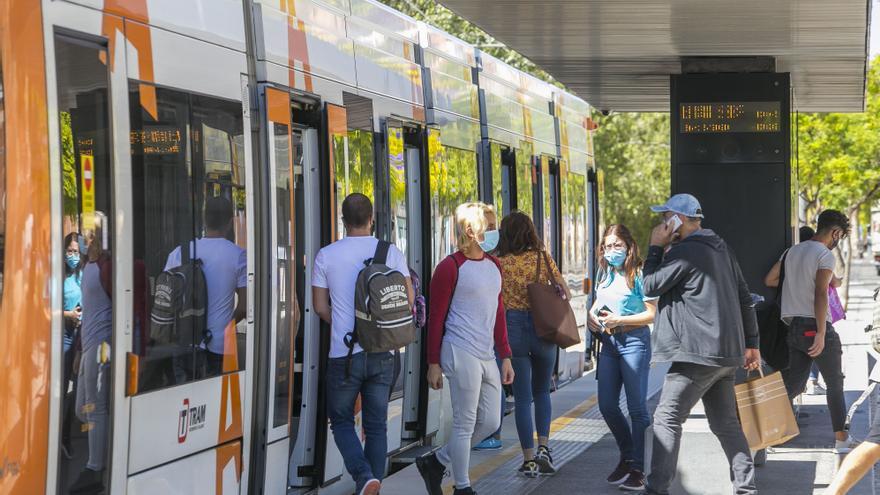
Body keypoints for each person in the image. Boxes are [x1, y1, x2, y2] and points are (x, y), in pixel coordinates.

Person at [641, 193, 761, 495]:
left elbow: (649, 285)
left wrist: (655, 247)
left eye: (664, 217)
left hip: (697, 353)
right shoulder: (721, 248)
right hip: (726, 355)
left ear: (677, 219)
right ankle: (746, 488)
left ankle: (656, 489)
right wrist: (752, 344)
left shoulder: (686, 252)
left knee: (666, 418)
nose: (661, 223)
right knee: (725, 424)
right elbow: (745, 297)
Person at [312, 193, 413, 495]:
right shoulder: (390, 252)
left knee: (341, 420)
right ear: (372, 219)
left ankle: (363, 475)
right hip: (382, 351)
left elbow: (319, 307)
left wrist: (344, 325)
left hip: (344, 354)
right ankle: (372, 484)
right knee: (377, 423)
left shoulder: (326, 255)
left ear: (343, 221)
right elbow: (407, 300)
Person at [417, 202, 515, 495]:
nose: (496, 231)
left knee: (490, 422)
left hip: (487, 354)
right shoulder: (450, 267)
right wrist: (433, 362)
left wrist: (505, 355)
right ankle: (462, 487)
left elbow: (498, 312)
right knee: (465, 422)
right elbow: (436, 318)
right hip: (459, 350)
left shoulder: (494, 265)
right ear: (472, 230)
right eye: (490, 225)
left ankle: (437, 461)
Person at [772, 209, 855, 452]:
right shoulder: (824, 255)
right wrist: (820, 332)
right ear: (836, 232)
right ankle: (841, 441)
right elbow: (821, 293)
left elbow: (770, 279)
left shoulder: (792, 252)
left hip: (794, 327)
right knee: (835, 383)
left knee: (794, 385)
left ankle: (769, 433)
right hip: (815, 326)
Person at [494, 211, 570, 477]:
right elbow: (565, 292)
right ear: (530, 232)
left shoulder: (498, 263)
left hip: (512, 330)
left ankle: (527, 460)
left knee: (523, 398)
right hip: (543, 330)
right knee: (542, 392)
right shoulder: (541, 258)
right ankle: (544, 449)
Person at [587, 224, 656, 491]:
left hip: (635, 341)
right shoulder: (604, 270)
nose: (611, 251)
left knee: (637, 408)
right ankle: (627, 456)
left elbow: (651, 313)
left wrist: (621, 319)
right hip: (609, 342)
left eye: (617, 245)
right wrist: (593, 316)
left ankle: (639, 468)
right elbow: (598, 301)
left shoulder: (638, 272)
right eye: (606, 246)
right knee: (607, 405)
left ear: (629, 246)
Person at [163, 196, 247, 379]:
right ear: (230, 222)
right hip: (218, 345)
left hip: (183, 344)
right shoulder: (239, 256)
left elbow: (164, 300)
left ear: (204, 219)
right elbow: (243, 307)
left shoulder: (179, 252)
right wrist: (227, 327)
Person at [70, 215, 113, 493]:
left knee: (95, 407)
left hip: (102, 345)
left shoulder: (107, 265)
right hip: (88, 345)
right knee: (82, 409)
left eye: (85, 232)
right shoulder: (88, 266)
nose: (82, 238)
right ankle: (104, 446)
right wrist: (78, 350)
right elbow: (87, 311)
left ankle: (95, 467)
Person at [61, 232, 83, 460]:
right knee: (64, 391)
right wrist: (67, 314)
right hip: (65, 337)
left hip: (82, 337)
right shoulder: (59, 276)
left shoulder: (83, 275)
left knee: (78, 391)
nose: (73, 255)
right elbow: (46, 310)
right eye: (70, 251)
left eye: (77, 251)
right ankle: (63, 438)